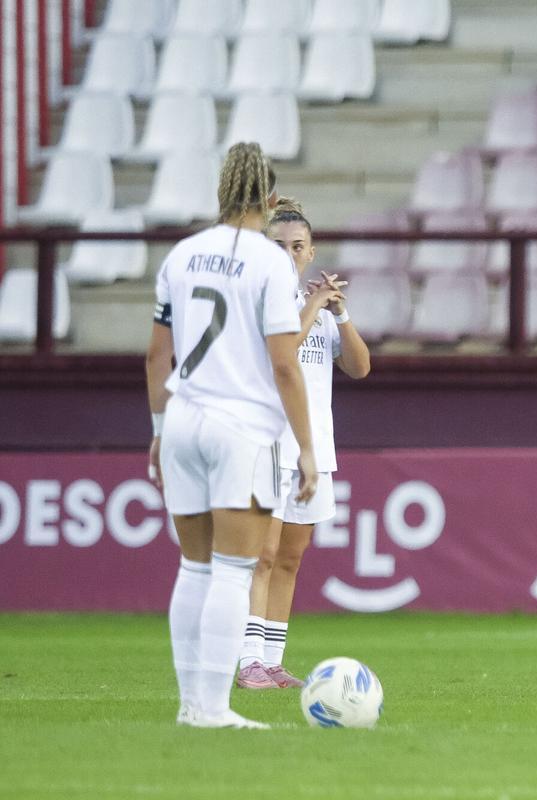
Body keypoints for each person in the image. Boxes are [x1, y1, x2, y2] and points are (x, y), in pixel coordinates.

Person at [146, 142, 317, 728]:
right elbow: (285, 365)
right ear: (271, 199)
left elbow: (156, 356)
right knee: (231, 570)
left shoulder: (183, 254)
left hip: (183, 418)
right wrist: (307, 449)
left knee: (193, 568)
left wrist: (158, 430)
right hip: (240, 426)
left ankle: (190, 704)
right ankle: (214, 707)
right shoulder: (270, 263)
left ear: (221, 191)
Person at [236, 198, 371, 690]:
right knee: (263, 554)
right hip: (267, 443)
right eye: (278, 246)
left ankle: (272, 660)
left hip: (312, 447)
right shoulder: (254, 302)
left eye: (297, 246)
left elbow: (359, 367)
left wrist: (341, 312)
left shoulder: (317, 309)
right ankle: (248, 660)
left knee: (290, 558)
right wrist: (314, 306)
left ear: (311, 252)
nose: (289, 254)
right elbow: (281, 356)